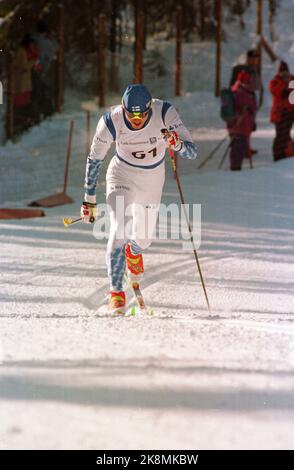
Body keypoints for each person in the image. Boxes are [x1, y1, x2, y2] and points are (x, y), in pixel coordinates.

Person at [81, 84, 197, 314]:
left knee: (144, 238)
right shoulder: (111, 121)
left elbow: (191, 152)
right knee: (119, 227)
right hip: (121, 174)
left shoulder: (165, 113)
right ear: (123, 108)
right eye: (130, 114)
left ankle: (133, 251)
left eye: (141, 114)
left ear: (149, 109)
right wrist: (89, 198)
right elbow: (95, 158)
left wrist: (177, 144)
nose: (135, 119)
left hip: (152, 179)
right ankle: (116, 293)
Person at [227, 71, 257, 171]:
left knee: (236, 144)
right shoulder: (242, 92)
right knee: (239, 144)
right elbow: (252, 106)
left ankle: (235, 165)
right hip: (241, 123)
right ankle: (235, 167)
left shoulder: (234, 89)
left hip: (235, 123)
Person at [269, 61, 294, 161]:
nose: (284, 75)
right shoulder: (275, 82)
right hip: (279, 114)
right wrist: (284, 83)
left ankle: (287, 153)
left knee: (285, 134)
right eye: (282, 73)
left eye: (285, 72)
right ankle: (278, 155)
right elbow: (276, 92)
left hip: (290, 112)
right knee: (280, 135)